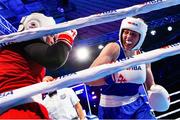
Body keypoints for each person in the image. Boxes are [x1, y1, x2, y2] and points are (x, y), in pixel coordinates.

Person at [87, 17, 170, 119]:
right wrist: (113, 77)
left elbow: (150, 86)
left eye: (133, 34)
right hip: (112, 108)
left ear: (141, 38)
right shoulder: (114, 48)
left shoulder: (143, 57)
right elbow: (88, 79)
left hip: (137, 103)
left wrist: (157, 93)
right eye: (126, 32)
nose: (128, 37)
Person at [0, 13, 77, 119]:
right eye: (51, 36)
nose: (52, 41)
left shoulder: (10, 48)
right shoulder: (27, 40)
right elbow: (55, 59)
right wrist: (66, 36)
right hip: (22, 108)